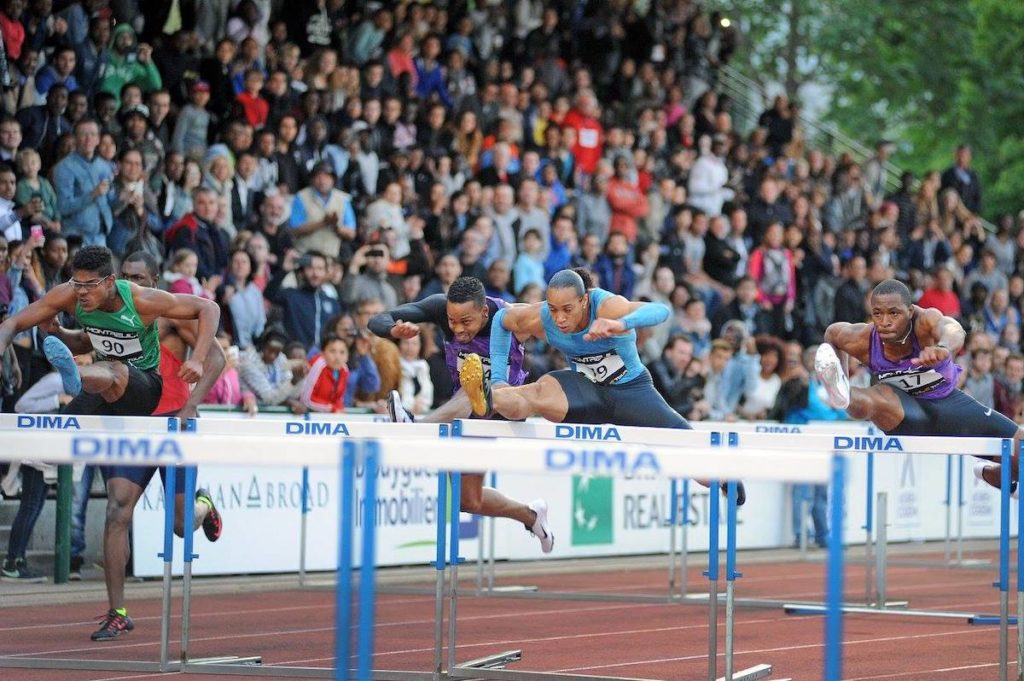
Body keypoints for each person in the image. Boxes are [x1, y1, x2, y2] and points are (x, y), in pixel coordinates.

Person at [0, 246, 223, 640]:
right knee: (117, 511)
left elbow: (216, 351)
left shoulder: (161, 310)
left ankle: (203, 503)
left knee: (182, 525)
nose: (130, 285)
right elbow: (81, 339)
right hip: (130, 419)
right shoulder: (89, 301)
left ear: (151, 283)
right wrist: (59, 336)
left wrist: (192, 400)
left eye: (138, 279)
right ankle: (117, 610)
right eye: (128, 276)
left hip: (171, 419)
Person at [463, 269, 745, 504]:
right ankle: (490, 398)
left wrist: (619, 323)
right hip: (586, 390)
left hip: (633, 392)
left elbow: (661, 310)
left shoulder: (607, 305)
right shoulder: (544, 317)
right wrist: (499, 375)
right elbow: (502, 319)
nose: (559, 318)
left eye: (567, 310)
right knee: (534, 393)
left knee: (685, 445)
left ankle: (724, 479)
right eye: (553, 309)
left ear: (585, 301)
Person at [367, 276, 553, 552]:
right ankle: (531, 516)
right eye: (452, 322)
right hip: (468, 414)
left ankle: (416, 428)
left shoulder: (513, 317)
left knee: (474, 384)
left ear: (485, 312)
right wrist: (393, 330)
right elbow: (378, 319)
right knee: (469, 501)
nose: (458, 329)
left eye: (466, 322)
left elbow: (563, 326)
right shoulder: (443, 308)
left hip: (506, 408)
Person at [816, 279, 1021, 493]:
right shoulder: (863, 339)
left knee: (1021, 452)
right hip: (903, 412)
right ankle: (842, 392)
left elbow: (954, 329)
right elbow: (832, 334)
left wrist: (943, 347)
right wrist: (842, 372)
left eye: (894, 313)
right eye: (877, 313)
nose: (884, 321)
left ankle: (989, 473)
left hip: (950, 406)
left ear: (910, 311)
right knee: (876, 398)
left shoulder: (924, 322)